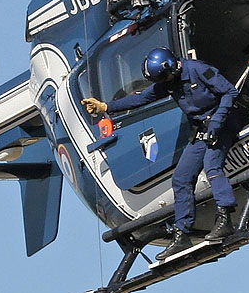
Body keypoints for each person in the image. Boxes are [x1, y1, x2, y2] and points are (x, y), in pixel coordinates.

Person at [82, 48, 239, 260]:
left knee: (212, 166)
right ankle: (183, 233)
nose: (165, 83)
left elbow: (229, 93)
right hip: (202, 130)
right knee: (181, 178)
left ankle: (224, 219)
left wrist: (217, 122)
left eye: (165, 78)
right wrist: (105, 106)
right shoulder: (168, 81)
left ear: (172, 67)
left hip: (223, 124)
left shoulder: (199, 70)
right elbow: (142, 99)